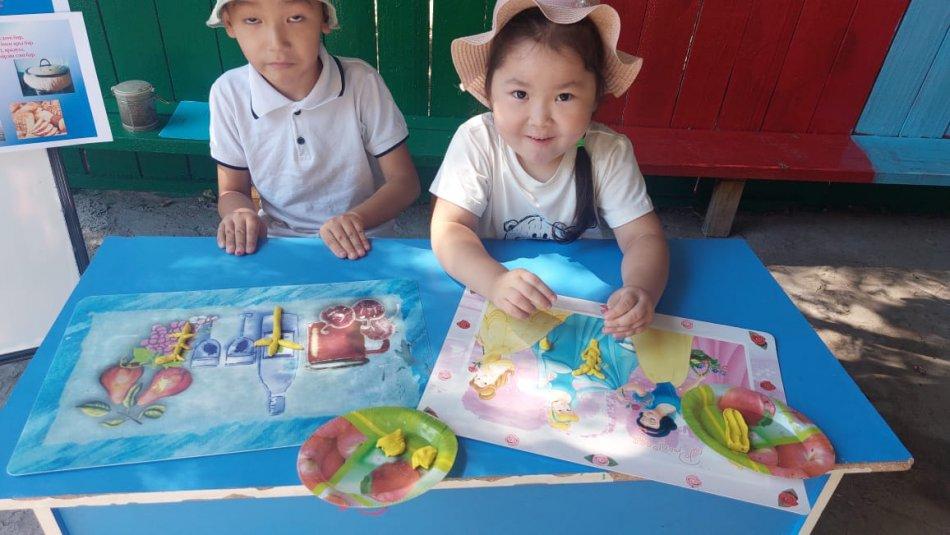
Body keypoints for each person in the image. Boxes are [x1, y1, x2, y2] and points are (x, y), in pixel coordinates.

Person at [430, 0, 668, 340]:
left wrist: (641, 289)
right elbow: (448, 228)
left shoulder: (609, 152)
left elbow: (643, 236)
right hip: (492, 293)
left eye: (564, 97)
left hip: (577, 307)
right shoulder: (476, 141)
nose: (540, 119)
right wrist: (494, 281)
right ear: (489, 92)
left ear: (595, 98)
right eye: (520, 93)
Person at [207, 0, 420, 258]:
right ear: (229, 24)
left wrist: (355, 219)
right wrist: (239, 214)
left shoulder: (362, 82)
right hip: (278, 241)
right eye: (253, 20)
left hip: (365, 239)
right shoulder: (228, 93)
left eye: (295, 18)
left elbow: (404, 182)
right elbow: (232, 190)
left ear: (324, 19)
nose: (276, 43)